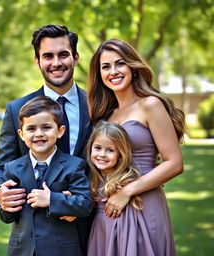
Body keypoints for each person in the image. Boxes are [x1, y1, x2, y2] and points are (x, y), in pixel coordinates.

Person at [0, 24, 92, 254]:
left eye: (63, 54)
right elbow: (0, 166)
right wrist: (0, 193)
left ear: (75, 58)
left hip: (90, 228)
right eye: (48, 56)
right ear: (37, 61)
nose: (56, 63)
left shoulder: (97, 106)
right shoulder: (17, 110)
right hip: (33, 236)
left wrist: (74, 201)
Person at [87, 39, 186, 255]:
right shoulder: (105, 115)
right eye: (106, 67)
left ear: (132, 66)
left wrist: (127, 191)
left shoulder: (150, 105)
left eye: (120, 63)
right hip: (107, 210)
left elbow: (175, 163)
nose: (113, 71)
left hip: (143, 203)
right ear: (100, 75)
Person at [0, 96, 93, 256]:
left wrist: (52, 200)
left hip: (61, 250)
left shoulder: (74, 165)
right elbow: (7, 217)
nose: (39, 134)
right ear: (21, 134)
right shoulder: (12, 168)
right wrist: (6, 205)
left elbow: (85, 204)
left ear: (60, 131)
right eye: (31, 129)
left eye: (46, 127)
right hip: (22, 250)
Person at [86, 120, 145, 255]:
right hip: (100, 231)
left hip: (122, 231)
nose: (102, 154)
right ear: (90, 148)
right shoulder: (92, 179)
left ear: (120, 155)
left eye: (110, 150)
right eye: (98, 148)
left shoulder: (125, 181)